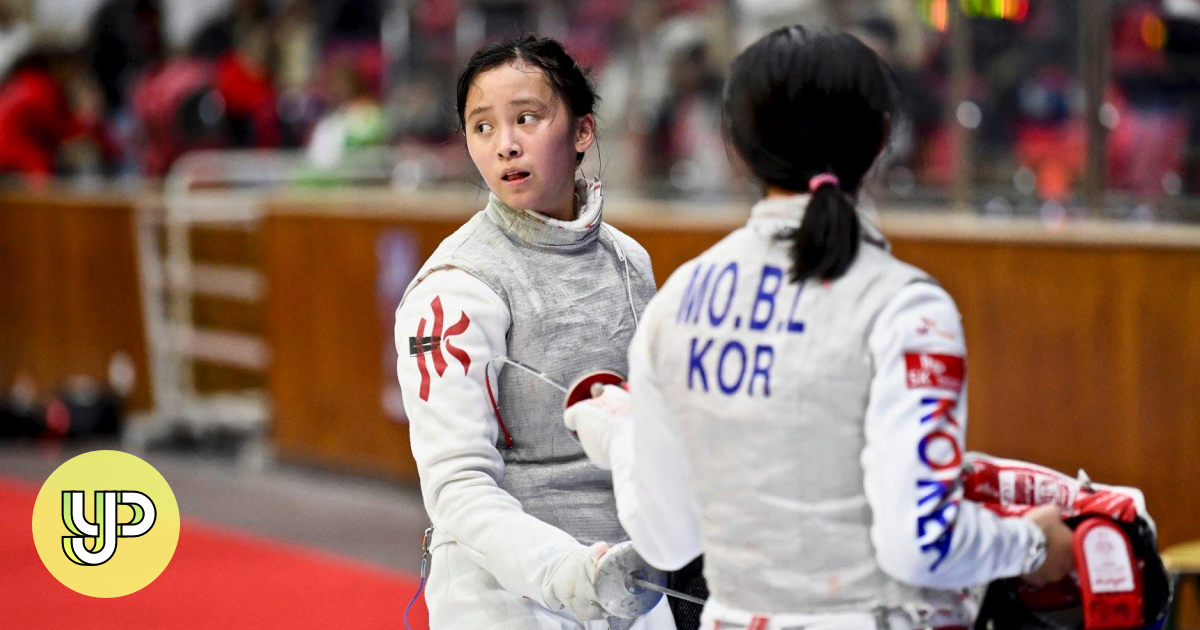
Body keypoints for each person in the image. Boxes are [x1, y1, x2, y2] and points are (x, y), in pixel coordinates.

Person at [565, 26, 1076, 629]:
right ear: (883, 136)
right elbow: (921, 542)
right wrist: (1035, 545)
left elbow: (667, 542)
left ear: (735, 143)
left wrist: (620, 438)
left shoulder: (679, 300)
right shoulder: (905, 307)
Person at [394, 35, 675, 629]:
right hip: (506, 598)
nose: (507, 145)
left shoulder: (630, 263)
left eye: (526, 118)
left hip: (630, 585)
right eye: (483, 128)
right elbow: (457, 485)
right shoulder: (455, 287)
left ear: (582, 132)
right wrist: (566, 572)